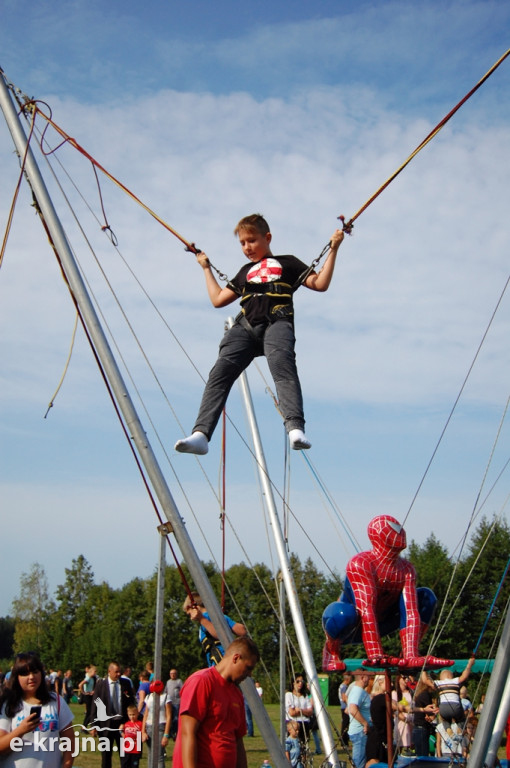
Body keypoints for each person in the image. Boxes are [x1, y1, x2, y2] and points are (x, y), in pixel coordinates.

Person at [174, 213, 344, 456]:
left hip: (277, 322)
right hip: (245, 328)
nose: (247, 248)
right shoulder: (245, 271)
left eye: (251, 241)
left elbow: (320, 284)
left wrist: (334, 249)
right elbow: (218, 299)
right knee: (220, 372)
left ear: (267, 237)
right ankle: (201, 435)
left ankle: (295, 428)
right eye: (242, 243)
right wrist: (206, 268)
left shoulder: (288, 263)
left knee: (281, 365)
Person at [322, 515, 453, 671]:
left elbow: (411, 611)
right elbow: (366, 610)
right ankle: (331, 652)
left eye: (401, 528)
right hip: (351, 625)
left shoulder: (406, 569)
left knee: (426, 596)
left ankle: (408, 654)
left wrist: (412, 656)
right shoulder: (361, 563)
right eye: (396, 529)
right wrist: (375, 654)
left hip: (383, 623)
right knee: (343, 612)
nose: (401, 532)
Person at [172, 636, 260, 768]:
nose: (249, 674)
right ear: (236, 658)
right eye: (248, 668)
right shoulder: (201, 681)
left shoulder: (236, 694)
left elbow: (237, 740)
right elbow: (187, 733)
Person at [0, 651, 76, 768]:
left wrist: (66, 765)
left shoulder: (56, 701)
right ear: (17, 677)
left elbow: (70, 739)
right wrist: (20, 730)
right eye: (25, 673)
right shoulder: (8, 704)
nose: (31, 677)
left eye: (35, 672)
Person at [89, 662, 136, 768]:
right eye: (116, 672)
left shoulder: (125, 684)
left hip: (122, 725)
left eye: (120, 671)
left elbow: (131, 702)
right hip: (105, 725)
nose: (119, 674)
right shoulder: (101, 685)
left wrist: (130, 721)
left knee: (125, 755)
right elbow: (94, 706)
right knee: (106, 756)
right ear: (109, 671)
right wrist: (93, 725)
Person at [182, 591, 247, 667]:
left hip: (221, 663)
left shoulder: (204, 619)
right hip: (231, 661)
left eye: (190, 614)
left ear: (195, 608)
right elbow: (242, 631)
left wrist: (201, 619)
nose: (191, 618)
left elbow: (221, 635)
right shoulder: (220, 616)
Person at [433, 657, 475, 726]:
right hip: (455, 707)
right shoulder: (455, 681)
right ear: (451, 676)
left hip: (443, 707)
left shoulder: (438, 683)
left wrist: (424, 669)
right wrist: (469, 665)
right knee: (461, 719)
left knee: (445, 719)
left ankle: (448, 730)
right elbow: (464, 676)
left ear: (441, 677)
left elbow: (426, 680)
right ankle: (459, 728)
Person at [347, 669, 373, 768]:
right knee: (359, 764)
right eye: (368, 676)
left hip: (361, 733)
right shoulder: (357, 691)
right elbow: (352, 709)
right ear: (362, 677)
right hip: (360, 733)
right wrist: (365, 723)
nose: (370, 679)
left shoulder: (360, 691)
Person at [141, 689, 171, 768]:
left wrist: (166, 735)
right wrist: (143, 731)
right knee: (151, 755)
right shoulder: (148, 697)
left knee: (159, 756)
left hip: (160, 726)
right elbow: (145, 715)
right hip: (149, 726)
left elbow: (169, 716)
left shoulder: (166, 697)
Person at [412, 671, 438, 756]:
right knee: (423, 755)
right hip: (422, 728)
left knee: (419, 754)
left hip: (417, 728)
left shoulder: (420, 694)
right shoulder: (425, 695)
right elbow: (430, 714)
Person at [285, 674, 313, 746]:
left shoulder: (305, 696)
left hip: (305, 723)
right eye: (298, 681)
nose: (300, 683)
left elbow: (310, 712)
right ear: (293, 682)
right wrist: (304, 711)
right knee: (292, 746)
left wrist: (300, 710)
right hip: (293, 724)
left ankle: (304, 757)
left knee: (304, 746)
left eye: (301, 681)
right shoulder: (289, 695)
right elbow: (292, 713)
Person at [164, 669, 183, 739]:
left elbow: (182, 690)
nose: (172, 675)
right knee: (169, 718)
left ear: (176, 674)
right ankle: (169, 732)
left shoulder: (179, 681)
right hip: (169, 703)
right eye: (171, 673)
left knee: (176, 718)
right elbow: (165, 691)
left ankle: (176, 732)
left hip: (177, 702)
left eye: (174, 673)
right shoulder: (168, 682)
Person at [338, 672, 353, 745]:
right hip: (345, 707)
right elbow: (344, 698)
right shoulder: (344, 687)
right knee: (345, 725)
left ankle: (344, 740)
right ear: (348, 678)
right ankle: (344, 741)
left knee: (345, 724)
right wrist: (350, 703)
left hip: (343, 707)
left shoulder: (342, 686)